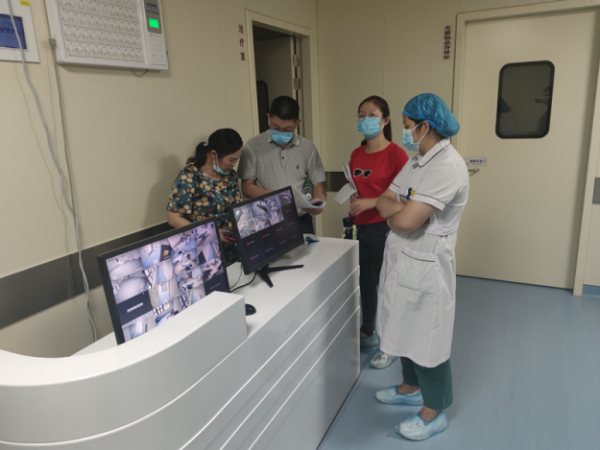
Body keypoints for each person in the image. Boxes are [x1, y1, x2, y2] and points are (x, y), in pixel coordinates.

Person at [373, 94, 469, 441]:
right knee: (402, 324)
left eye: (406, 125)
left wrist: (400, 214)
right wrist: (401, 213)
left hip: (427, 265)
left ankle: (433, 412)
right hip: (404, 258)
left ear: (424, 126)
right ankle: (410, 387)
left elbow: (403, 221)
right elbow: (385, 200)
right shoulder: (418, 161)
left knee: (428, 337)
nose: (404, 132)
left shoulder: (447, 167)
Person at [350, 96, 408, 370]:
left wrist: (372, 202)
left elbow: (403, 196)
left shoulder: (397, 155)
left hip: (385, 227)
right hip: (362, 226)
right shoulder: (357, 153)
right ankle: (369, 331)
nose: (365, 119)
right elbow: (356, 185)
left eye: (371, 114)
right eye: (361, 115)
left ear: (385, 120)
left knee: (387, 287)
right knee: (365, 283)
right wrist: (354, 198)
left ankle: (391, 345)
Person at [237, 96, 326, 235]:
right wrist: (273, 196)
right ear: (268, 118)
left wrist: (319, 202)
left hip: (301, 220)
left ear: (297, 123)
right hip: (265, 221)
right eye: (275, 127)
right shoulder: (252, 146)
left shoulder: (308, 148)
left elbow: (317, 185)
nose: (281, 133)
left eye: (287, 129)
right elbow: (246, 187)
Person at [167, 129, 243, 266]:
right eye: (232, 160)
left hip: (231, 249)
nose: (234, 164)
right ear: (214, 154)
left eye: (237, 159)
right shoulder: (189, 176)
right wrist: (209, 233)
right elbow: (174, 218)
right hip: (204, 251)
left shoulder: (230, 176)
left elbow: (237, 207)